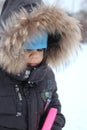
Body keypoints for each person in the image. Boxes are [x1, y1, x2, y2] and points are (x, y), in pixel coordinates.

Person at [0, 0, 82, 130]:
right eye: (28, 49)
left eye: (39, 49)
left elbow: (53, 105)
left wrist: (53, 125)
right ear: (12, 47)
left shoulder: (46, 75)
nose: (35, 55)